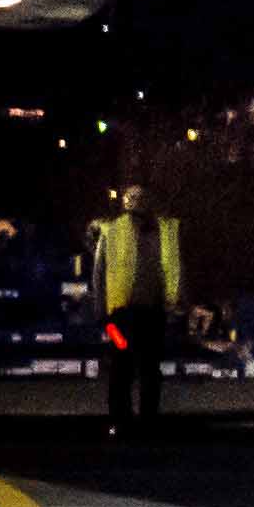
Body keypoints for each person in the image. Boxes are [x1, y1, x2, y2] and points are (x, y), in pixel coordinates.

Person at [89, 180, 182, 436]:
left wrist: (171, 303)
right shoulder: (114, 232)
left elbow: (172, 268)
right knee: (123, 366)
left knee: (146, 367)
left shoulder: (161, 231)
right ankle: (123, 419)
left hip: (149, 312)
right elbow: (99, 274)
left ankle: (142, 420)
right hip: (122, 315)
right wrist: (101, 311)